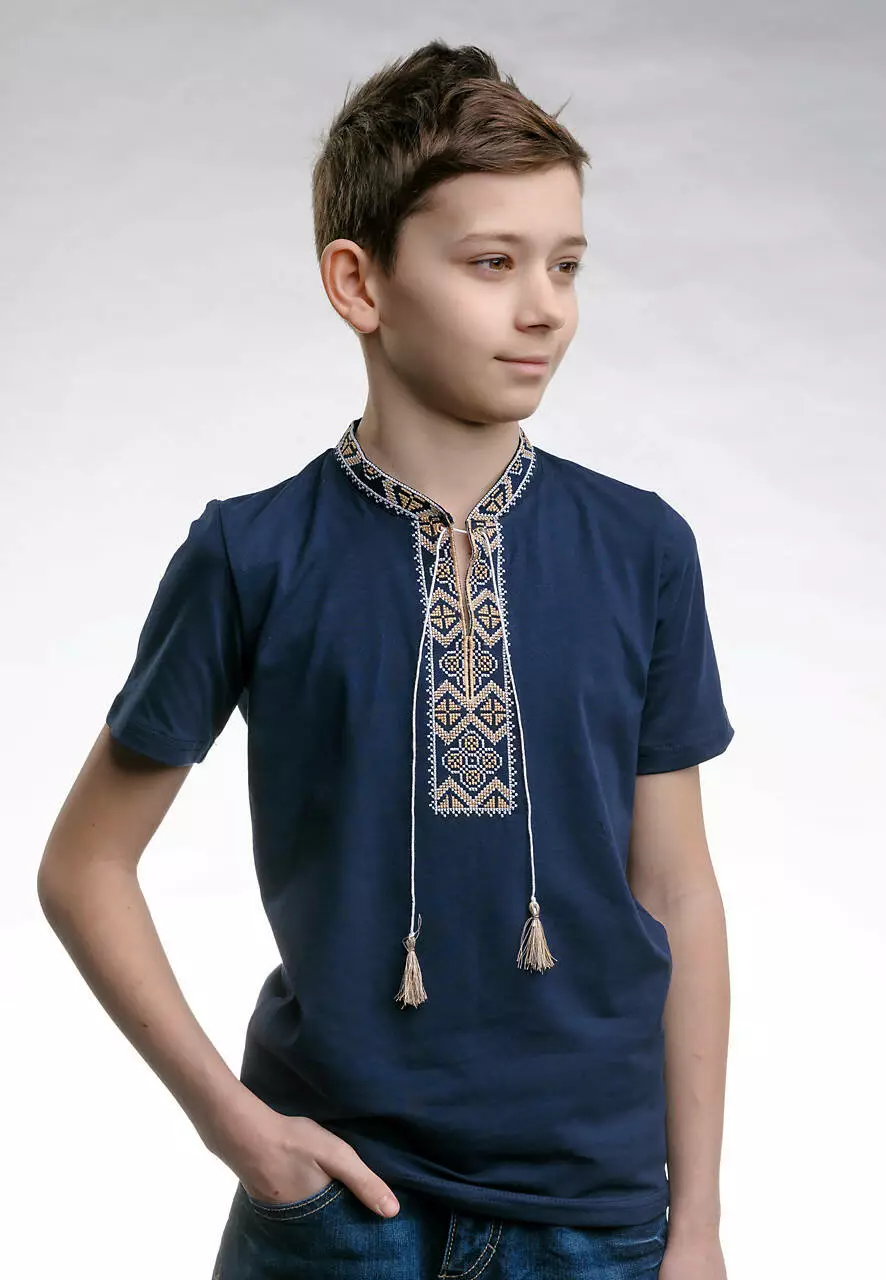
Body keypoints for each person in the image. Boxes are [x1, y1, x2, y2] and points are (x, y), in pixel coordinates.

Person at [38, 39, 735, 1280]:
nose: (544, 307)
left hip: (597, 1219)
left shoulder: (642, 549)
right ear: (358, 282)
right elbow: (84, 863)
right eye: (492, 262)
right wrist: (238, 1127)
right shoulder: (252, 553)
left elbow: (677, 890)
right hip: (335, 1212)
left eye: (566, 264)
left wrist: (698, 1225)